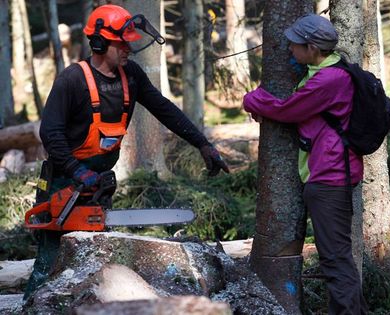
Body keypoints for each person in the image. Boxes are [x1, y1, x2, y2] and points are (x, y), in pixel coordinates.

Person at [24, 4, 229, 300]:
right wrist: (76, 169)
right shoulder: (73, 79)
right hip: (63, 182)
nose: (128, 49)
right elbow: (50, 133)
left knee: (92, 262)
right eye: (122, 44)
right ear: (99, 43)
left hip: (98, 184)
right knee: (49, 262)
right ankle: (33, 305)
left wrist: (202, 143)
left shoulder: (130, 76)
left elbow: (163, 108)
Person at [243, 13, 368, 315]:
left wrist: (253, 100)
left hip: (330, 179)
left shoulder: (328, 79)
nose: (290, 50)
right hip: (330, 174)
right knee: (338, 258)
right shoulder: (327, 72)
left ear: (312, 48)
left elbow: (290, 111)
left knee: (336, 261)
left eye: (296, 45)